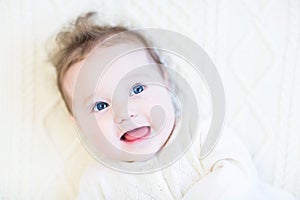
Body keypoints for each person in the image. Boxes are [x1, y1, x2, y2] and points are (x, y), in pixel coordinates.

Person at [49, 12, 296, 199]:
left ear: (165, 82)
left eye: (137, 89)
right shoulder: (98, 184)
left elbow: (238, 176)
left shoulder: (200, 135)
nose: (124, 113)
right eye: (101, 105)